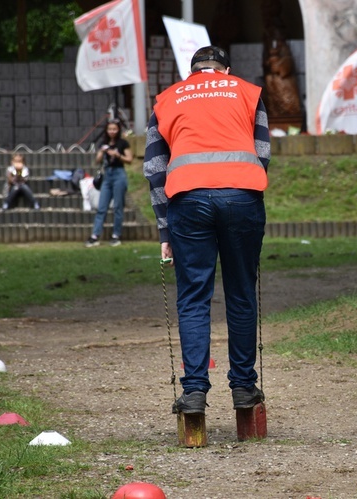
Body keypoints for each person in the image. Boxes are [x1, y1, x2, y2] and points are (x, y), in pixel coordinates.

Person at [143, 46, 271, 415]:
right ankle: (244, 389)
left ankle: (195, 393)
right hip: (242, 197)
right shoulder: (248, 92)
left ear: (192, 72)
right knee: (242, 292)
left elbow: (155, 169)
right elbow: (261, 154)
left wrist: (165, 231)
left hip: (187, 199)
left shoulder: (167, 99)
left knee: (193, 297)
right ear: (226, 70)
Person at [85, 118, 132, 247]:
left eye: (114, 129)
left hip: (119, 175)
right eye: (110, 129)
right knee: (101, 207)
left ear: (118, 130)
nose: (112, 131)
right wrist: (102, 151)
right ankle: (95, 235)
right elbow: (97, 161)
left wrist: (117, 155)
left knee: (118, 206)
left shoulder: (123, 143)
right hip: (107, 175)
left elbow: (129, 159)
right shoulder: (103, 143)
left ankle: (116, 235)